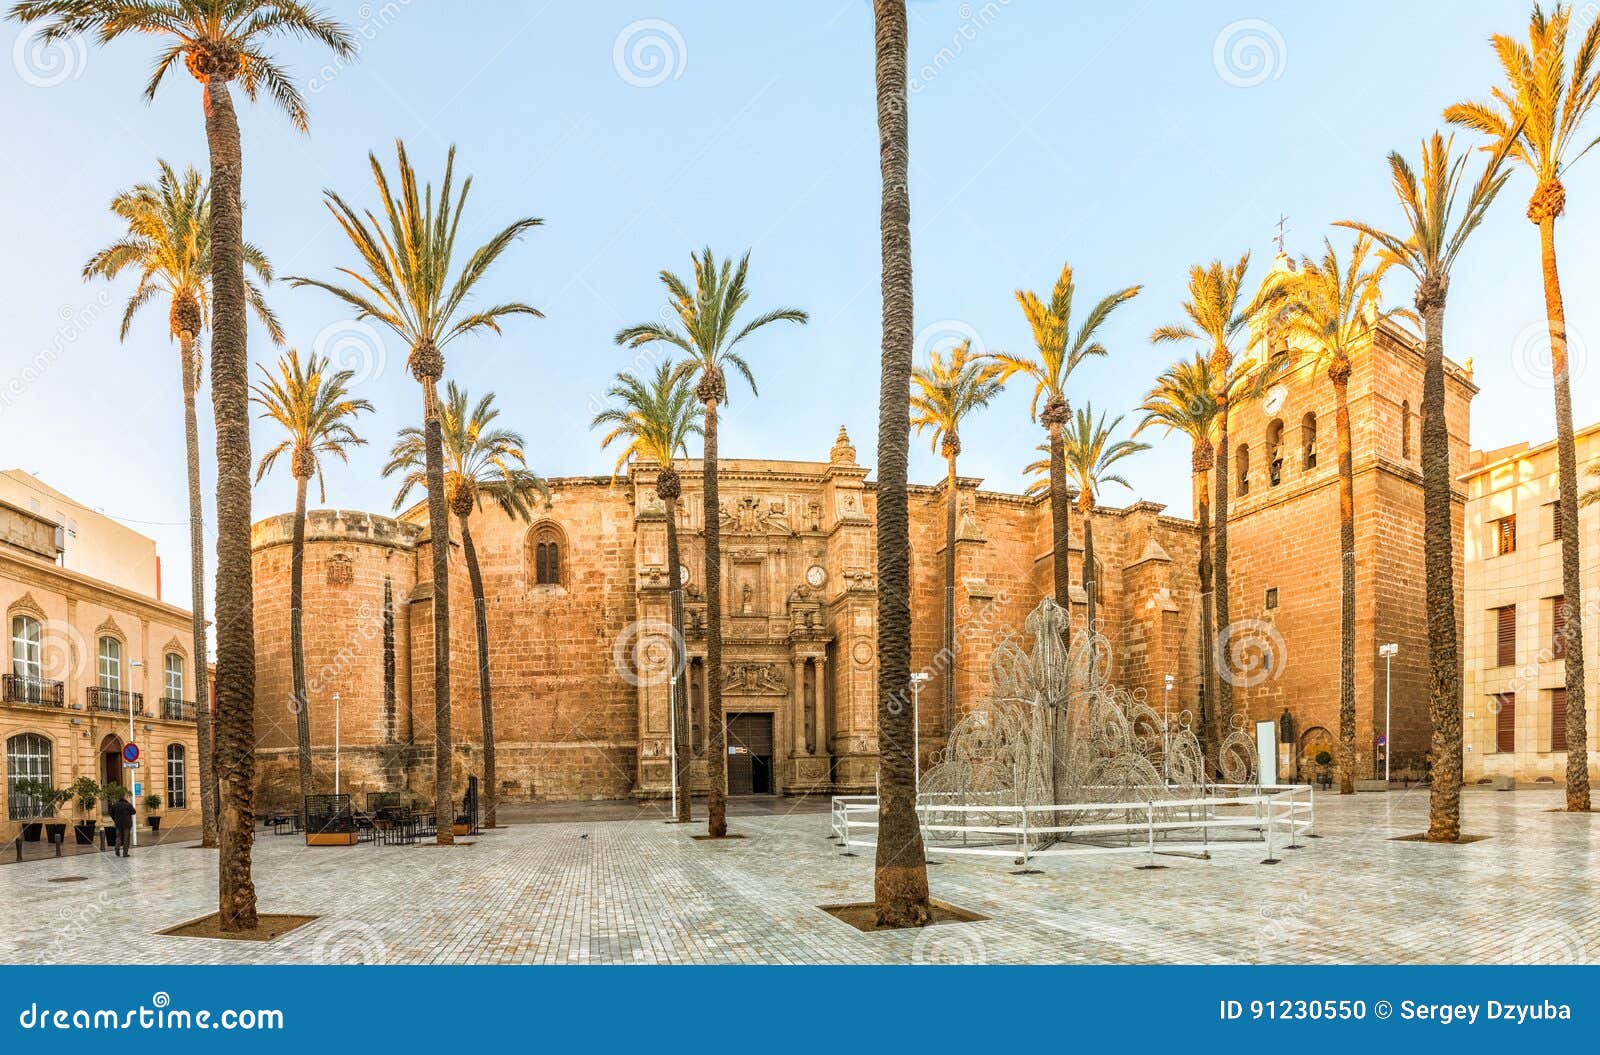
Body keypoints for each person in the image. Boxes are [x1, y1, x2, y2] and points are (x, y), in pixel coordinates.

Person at [109, 791, 136, 857]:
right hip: (127, 824)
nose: (127, 797)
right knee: (126, 838)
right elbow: (134, 812)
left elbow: (111, 813)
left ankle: (117, 848)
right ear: (125, 797)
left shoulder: (115, 804)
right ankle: (125, 853)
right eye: (127, 796)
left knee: (118, 837)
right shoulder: (128, 805)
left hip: (118, 824)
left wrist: (115, 819)